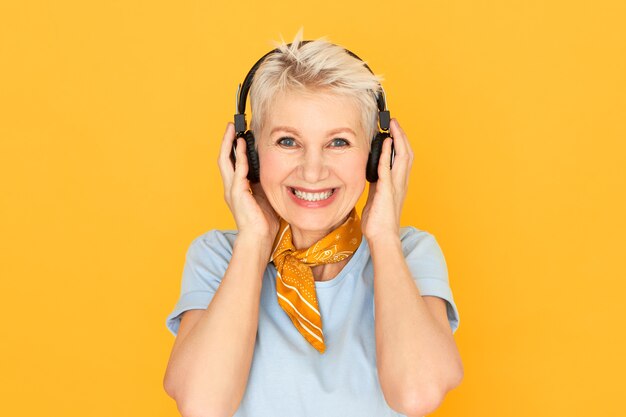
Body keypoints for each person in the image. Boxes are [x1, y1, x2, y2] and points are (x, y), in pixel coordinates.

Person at [163, 32, 463, 417]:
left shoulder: (409, 252)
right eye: (288, 141)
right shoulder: (218, 256)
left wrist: (383, 235)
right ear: (249, 155)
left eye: (338, 143)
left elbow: (417, 394)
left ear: (377, 157)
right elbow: (202, 405)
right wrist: (255, 239)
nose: (313, 170)